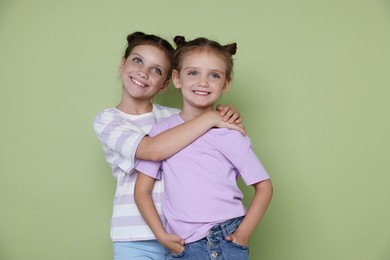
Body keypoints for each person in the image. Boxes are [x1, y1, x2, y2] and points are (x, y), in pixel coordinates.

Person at [93, 32, 245, 260]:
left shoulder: (176, 117)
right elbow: (152, 150)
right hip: (135, 237)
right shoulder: (108, 120)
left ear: (166, 83)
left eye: (156, 70)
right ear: (122, 64)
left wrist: (226, 114)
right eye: (137, 60)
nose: (143, 72)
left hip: (187, 236)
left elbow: (214, 151)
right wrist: (212, 118)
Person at [134, 36, 273, 259]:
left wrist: (243, 235)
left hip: (226, 239)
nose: (203, 82)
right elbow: (141, 191)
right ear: (177, 78)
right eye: (193, 73)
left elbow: (264, 187)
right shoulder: (162, 133)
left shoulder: (230, 132)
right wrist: (160, 234)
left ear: (225, 84)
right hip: (183, 245)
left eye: (214, 75)